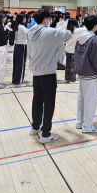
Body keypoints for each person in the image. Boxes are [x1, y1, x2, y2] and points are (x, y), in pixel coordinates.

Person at [27, 10, 72, 143]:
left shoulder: (31, 32)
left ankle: (35, 127)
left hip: (36, 73)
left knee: (37, 100)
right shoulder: (49, 32)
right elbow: (68, 34)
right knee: (48, 103)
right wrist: (63, 25)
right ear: (46, 19)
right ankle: (46, 134)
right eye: (49, 19)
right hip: (48, 73)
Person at [74, 15, 97, 133]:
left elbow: (76, 56)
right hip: (90, 74)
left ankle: (80, 122)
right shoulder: (93, 40)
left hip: (81, 73)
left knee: (81, 100)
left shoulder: (80, 38)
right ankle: (87, 126)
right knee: (90, 102)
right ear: (96, 26)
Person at [0, 13, 13, 89]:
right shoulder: (0, 28)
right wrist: (10, 33)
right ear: (1, 19)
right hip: (1, 48)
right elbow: (4, 40)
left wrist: (6, 31)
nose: (5, 19)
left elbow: (2, 37)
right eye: (4, 18)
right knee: (0, 67)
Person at [64, 18, 86, 83]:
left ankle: (67, 78)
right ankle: (72, 79)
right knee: (73, 65)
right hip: (74, 50)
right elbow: (86, 28)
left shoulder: (67, 31)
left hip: (67, 49)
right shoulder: (77, 30)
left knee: (67, 64)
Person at [11, 13, 29, 86]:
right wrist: (36, 26)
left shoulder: (17, 25)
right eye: (24, 18)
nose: (25, 19)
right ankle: (18, 82)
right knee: (20, 64)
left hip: (17, 46)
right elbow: (28, 32)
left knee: (17, 64)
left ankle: (15, 80)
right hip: (21, 45)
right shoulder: (21, 26)